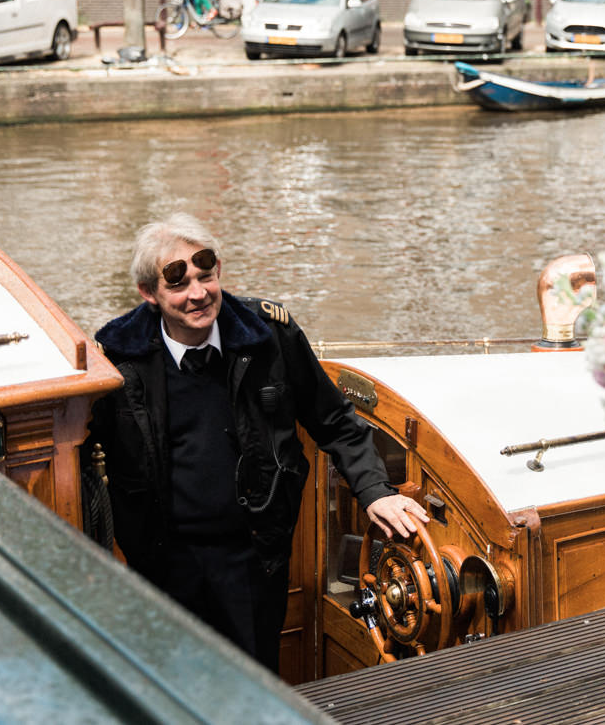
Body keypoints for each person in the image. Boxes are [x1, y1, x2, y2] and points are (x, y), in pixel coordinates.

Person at [89, 214, 428, 673]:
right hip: (161, 565)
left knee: (254, 687)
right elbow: (79, 453)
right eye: (179, 284)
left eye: (205, 276)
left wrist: (375, 492)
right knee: (171, 686)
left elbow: (334, 420)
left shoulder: (269, 336)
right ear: (149, 294)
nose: (198, 294)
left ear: (219, 271)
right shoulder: (117, 357)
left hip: (251, 559)